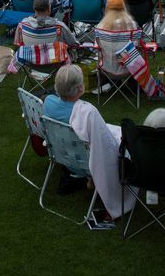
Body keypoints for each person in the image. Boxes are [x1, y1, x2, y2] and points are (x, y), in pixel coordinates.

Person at [52, 64, 135, 221]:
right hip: (84, 160)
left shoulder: (49, 103)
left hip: (61, 152)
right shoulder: (87, 113)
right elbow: (104, 146)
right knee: (124, 143)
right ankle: (95, 182)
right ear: (79, 89)